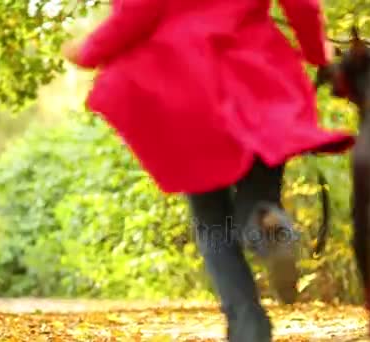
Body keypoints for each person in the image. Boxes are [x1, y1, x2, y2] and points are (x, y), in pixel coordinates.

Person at [62, 0, 354, 340]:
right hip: (258, 77)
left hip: (187, 82)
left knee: (211, 219)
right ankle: (269, 229)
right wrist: (318, 54)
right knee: (258, 197)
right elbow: (302, 6)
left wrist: (87, 51)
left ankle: (249, 329)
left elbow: (137, 12)